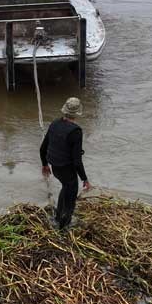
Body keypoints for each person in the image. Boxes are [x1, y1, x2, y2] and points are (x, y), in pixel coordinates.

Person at [40, 97, 91, 230]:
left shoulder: (55, 123)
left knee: (65, 187)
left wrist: (45, 165)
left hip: (55, 167)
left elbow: (42, 148)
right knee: (71, 197)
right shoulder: (76, 131)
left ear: (64, 110)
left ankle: (57, 218)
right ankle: (64, 226)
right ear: (78, 112)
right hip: (67, 169)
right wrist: (84, 179)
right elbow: (77, 161)